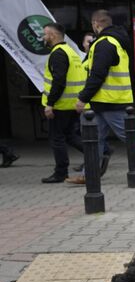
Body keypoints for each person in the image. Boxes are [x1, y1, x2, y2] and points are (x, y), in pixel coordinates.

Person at [67, 9, 135, 183]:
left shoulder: (104, 44)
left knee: (128, 136)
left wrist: (83, 97)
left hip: (110, 100)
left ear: (96, 24)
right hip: (107, 100)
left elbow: (98, 74)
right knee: (95, 138)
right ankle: (88, 174)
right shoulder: (114, 41)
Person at [40, 23, 86, 183]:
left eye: (45, 34)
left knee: (57, 139)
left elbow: (59, 81)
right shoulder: (70, 52)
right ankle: (98, 153)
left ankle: (61, 173)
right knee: (70, 136)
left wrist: (50, 103)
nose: (43, 38)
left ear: (53, 35)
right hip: (72, 103)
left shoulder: (58, 54)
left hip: (60, 105)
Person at [74, 31, 113, 174]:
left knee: (92, 139)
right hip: (87, 104)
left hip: (91, 105)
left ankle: (90, 170)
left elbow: (95, 79)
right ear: (83, 44)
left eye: (92, 41)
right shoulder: (83, 59)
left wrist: (83, 99)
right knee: (93, 139)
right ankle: (90, 170)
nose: (90, 44)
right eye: (88, 42)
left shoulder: (97, 58)